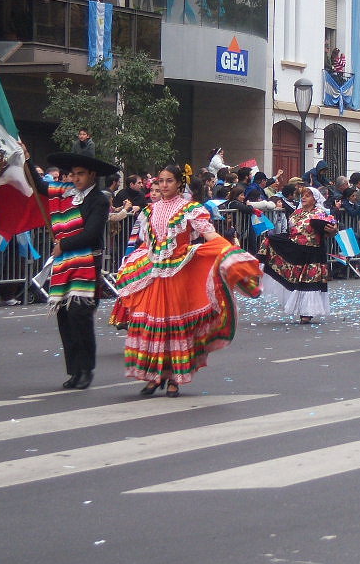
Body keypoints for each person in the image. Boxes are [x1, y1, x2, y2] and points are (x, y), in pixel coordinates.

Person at [111, 165, 262, 397]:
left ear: (180, 183)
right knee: (152, 325)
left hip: (179, 272)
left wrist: (230, 253)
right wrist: (133, 262)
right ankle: (154, 375)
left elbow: (209, 235)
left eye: (169, 181)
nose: (163, 185)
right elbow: (148, 243)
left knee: (174, 326)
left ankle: (173, 379)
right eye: (160, 181)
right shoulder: (149, 211)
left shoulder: (190, 209)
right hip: (155, 273)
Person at [46, 153, 117, 390]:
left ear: (92, 175)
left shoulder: (99, 200)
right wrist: (23, 160)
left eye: (81, 174)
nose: (75, 178)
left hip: (88, 263)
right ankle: (74, 370)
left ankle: (86, 369)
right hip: (66, 262)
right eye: (73, 174)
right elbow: (37, 186)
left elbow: (91, 232)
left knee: (80, 314)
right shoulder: (65, 196)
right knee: (64, 315)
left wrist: (63, 245)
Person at [258, 185, 337, 323]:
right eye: (303, 195)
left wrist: (333, 230)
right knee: (271, 241)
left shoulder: (320, 213)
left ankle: (307, 312)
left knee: (308, 282)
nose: (304, 197)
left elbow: (330, 232)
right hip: (296, 249)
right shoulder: (296, 212)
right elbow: (291, 231)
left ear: (315, 199)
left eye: (308, 195)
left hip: (313, 251)